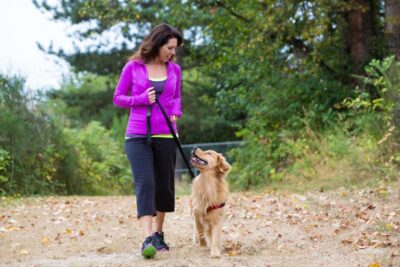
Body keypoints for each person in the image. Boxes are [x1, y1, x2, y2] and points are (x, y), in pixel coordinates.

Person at [113, 23, 183, 259]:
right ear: (158, 43)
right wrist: (141, 99)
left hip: (166, 134)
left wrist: (176, 111)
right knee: (145, 183)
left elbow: (176, 98)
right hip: (137, 135)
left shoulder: (175, 70)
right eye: (170, 48)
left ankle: (158, 233)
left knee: (163, 185)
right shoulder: (133, 67)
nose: (172, 53)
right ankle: (146, 239)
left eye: (174, 49)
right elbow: (118, 98)